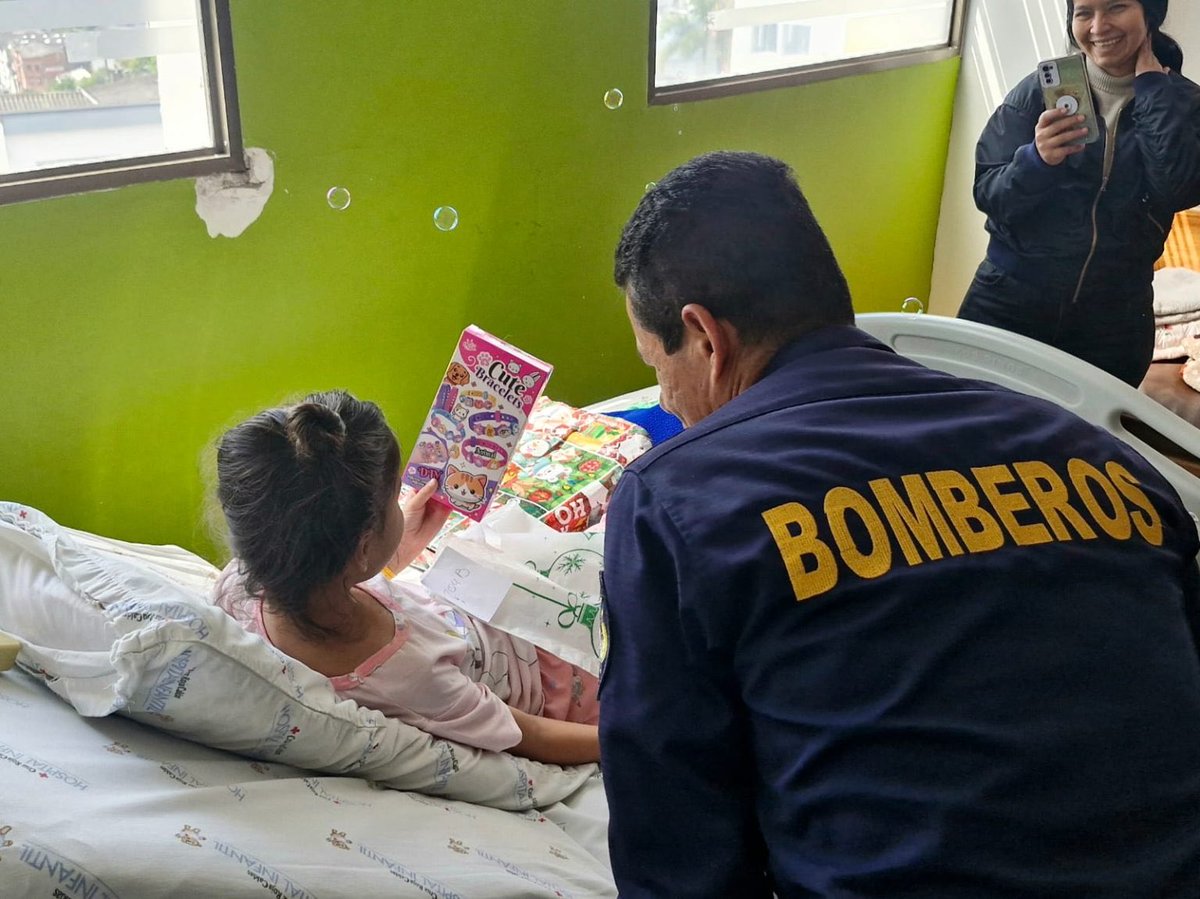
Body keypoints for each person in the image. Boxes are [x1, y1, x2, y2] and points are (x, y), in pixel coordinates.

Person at [598, 150, 1200, 897]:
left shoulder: (681, 495)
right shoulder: (1100, 456)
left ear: (705, 336)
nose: (670, 403)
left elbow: (676, 848)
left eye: (658, 370)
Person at [211, 389, 600, 765]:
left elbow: (325, 578)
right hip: (553, 675)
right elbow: (533, 737)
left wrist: (398, 548)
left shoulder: (240, 586)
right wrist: (637, 736)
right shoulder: (409, 677)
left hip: (471, 606)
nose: (402, 504)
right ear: (361, 548)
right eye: (394, 497)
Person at [958, 0, 1200, 387]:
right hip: (1008, 300)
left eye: (1116, 7)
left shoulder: (1183, 101)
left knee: (1087, 444)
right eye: (1084, 12)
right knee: (971, 426)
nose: (1098, 25)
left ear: (1149, 13)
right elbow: (989, 192)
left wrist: (1153, 90)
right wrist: (1036, 162)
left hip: (1114, 320)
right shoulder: (1037, 92)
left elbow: (1177, 188)